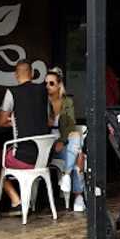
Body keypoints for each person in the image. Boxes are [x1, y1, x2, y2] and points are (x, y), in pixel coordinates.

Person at [0, 60, 50, 216]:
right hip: (44, 158)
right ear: (31, 74)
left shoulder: (12, 92)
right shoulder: (44, 90)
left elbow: (1, 121)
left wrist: (14, 121)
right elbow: (48, 118)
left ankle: (15, 200)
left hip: (23, 158)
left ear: (16, 75)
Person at [45, 67, 86, 212]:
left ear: (59, 85)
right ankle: (78, 196)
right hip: (48, 146)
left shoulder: (67, 102)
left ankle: (67, 175)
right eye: (46, 83)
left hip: (64, 144)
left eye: (51, 83)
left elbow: (70, 125)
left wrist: (62, 140)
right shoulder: (43, 102)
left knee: (76, 139)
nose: (47, 87)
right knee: (79, 156)